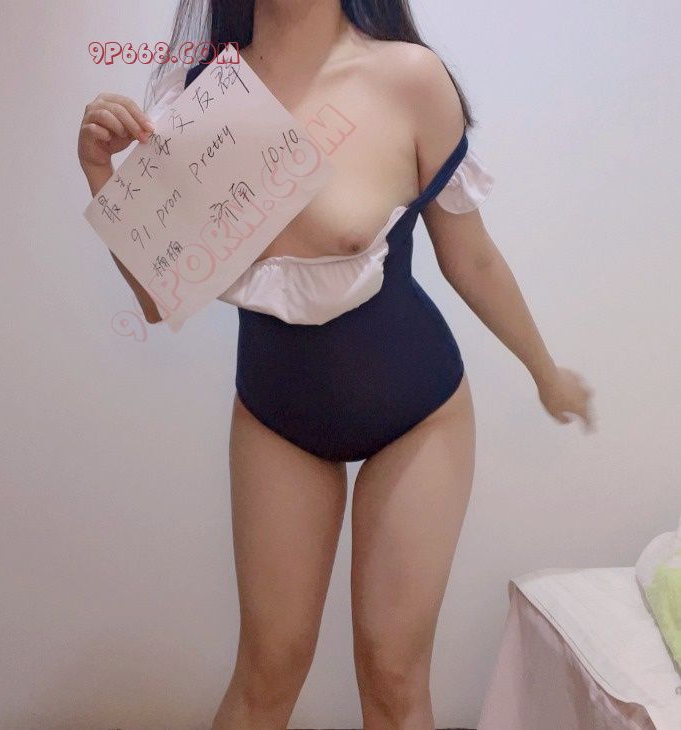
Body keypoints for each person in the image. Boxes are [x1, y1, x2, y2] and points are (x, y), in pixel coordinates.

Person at [77, 1, 595, 728]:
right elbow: (158, 298)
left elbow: (471, 258)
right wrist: (101, 173)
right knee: (267, 672)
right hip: (275, 414)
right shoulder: (199, 96)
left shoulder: (410, 79)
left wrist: (545, 371)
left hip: (417, 413)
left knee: (392, 674)